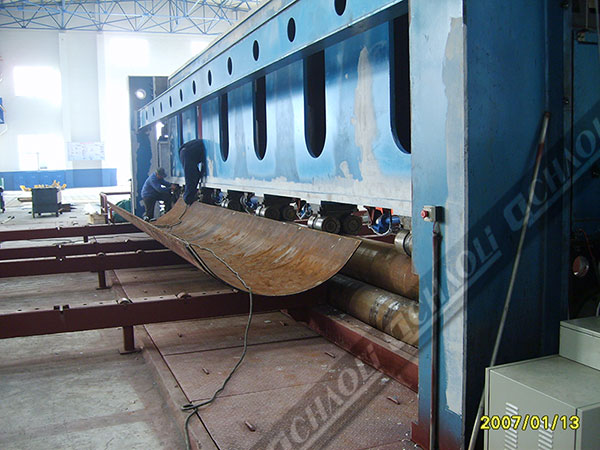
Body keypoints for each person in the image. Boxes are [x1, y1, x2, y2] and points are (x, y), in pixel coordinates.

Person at [178, 139, 207, 205]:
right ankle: (188, 197)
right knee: (192, 177)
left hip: (187, 152)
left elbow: (191, 177)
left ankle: (188, 198)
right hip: (190, 151)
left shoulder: (187, 154)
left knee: (191, 177)